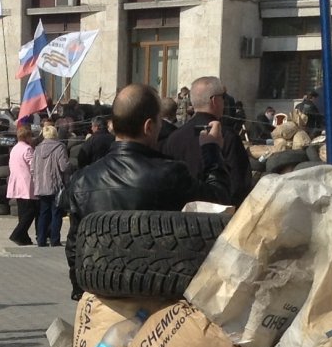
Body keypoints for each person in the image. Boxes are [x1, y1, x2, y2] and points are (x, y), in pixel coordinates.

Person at [64, 83, 229, 297]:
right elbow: (219, 204)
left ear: (112, 125)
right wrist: (212, 149)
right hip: (160, 303)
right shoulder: (171, 174)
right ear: (149, 126)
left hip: (103, 298)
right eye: (160, 122)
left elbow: (74, 248)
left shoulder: (82, 180)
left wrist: (84, 295)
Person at [163, 75, 250, 203]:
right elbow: (240, 185)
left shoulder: (174, 138)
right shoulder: (227, 137)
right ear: (214, 100)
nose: (225, 102)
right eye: (223, 97)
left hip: (179, 216)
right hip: (219, 217)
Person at [32, 121, 70, 247]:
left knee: (43, 213)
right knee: (56, 213)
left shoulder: (37, 149)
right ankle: (55, 240)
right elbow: (64, 167)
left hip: (41, 186)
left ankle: (41, 240)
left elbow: (32, 169)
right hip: (55, 185)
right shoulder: (59, 147)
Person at [6, 125, 40, 246]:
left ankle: (23, 238)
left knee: (22, 212)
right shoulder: (27, 149)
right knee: (31, 211)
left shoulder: (14, 148)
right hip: (26, 183)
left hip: (16, 182)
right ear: (27, 137)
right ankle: (17, 233)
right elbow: (33, 166)